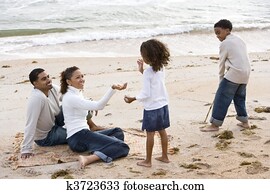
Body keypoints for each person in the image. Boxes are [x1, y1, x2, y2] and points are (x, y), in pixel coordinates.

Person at [21, 68, 100, 159]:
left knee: (75, 105)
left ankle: (92, 125)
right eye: (44, 79)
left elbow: (71, 97)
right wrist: (26, 149)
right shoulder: (36, 98)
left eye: (48, 77)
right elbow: (30, 123)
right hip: (46, 136)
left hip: (55, 121)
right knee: (77, 135)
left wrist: (90, 103)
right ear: (35, 83)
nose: (48, 80)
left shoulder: (52, 88)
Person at [60, 66, 130, 168]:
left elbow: (84, 103)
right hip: (78, 138)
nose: (82, 79)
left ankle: (100, 149)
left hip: (83, 134)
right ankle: (89, 158)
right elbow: (99, 106)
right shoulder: (70, 97)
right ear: (69, 82)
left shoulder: (75, 92)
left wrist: (91, 103)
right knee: (122, 147)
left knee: (117, 132)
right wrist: (112, 88)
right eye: (77, 77)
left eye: (82, 76)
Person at [124, 39, 170, 167]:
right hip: (163, 105)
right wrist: (141, 70)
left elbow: (146, 94)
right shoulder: (161, 67)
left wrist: (133, 98)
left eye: (143, 54)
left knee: (150, 133)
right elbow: (153, 80)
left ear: (148, 56)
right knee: (162, 131)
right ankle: (165, 156)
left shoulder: (148, 73)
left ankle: (148, 161)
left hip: (152, 108)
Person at [201, 19, 251, 132]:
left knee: (221, 98)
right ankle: (245, 122)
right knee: (239, 98)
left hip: (235, 73)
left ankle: (214, 125)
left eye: (218, 32)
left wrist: (221, 80)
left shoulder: (225, 43)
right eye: (215, 33)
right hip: (246, 74)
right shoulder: (239, 40)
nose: (217, 36)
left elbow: (221, 63)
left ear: (227, 30)